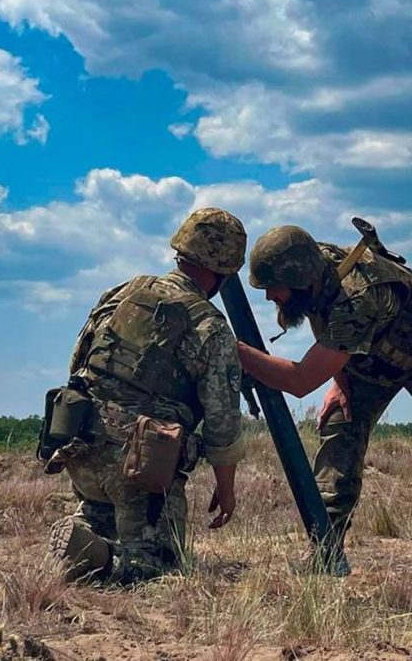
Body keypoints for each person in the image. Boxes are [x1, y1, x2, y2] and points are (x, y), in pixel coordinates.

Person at [47, 208, 247, 584]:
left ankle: (87, 537)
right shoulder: (210, 325)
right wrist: (226, 488)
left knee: (100, 514)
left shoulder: (124, 290)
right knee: (158, 567)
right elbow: (222, 422)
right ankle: (107, 561)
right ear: (225, 269)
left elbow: (80, 359)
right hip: (142, 465)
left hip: (80, 445)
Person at [238, 225, 412, 571]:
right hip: (375, 358)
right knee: (339, 426)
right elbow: (327, 322)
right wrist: (339, 376)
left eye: (274, 287)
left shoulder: (359, 297)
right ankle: (326, 554)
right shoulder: (316, 264)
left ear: (299, 280)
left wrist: (234, 350)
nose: (270, 296)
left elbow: (300, 381)